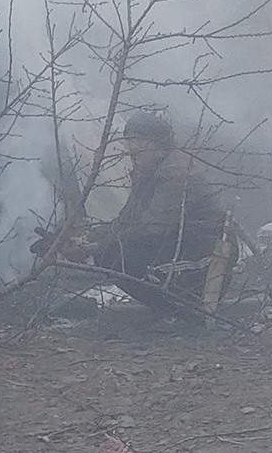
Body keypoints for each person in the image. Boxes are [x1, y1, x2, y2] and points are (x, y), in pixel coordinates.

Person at [73, 111, 238, 314]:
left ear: (158, 143)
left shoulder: (175, 172)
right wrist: (90, 236)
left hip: (204, 258)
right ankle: (171, 312)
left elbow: (154, 230)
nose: (132, 148)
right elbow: (127, 221)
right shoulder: (148, 172)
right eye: (129, 140)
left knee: (114, 255)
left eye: (139, 140)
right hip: (177, 250)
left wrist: (97, 247)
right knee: (111, 253)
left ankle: (183, 312)